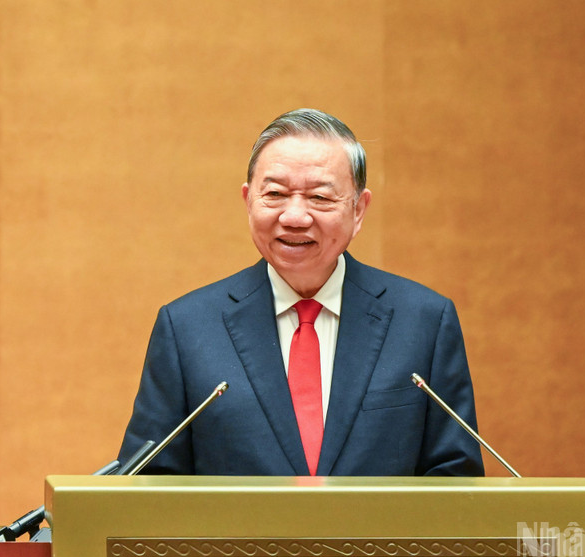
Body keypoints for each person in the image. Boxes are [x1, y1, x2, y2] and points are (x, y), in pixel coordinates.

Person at [118, 109, 484, 476]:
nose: (294, 217)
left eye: (320, 197)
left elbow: (455, 482)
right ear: (248, 201)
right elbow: (147, 484)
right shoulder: (186, 328)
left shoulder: (424, 323)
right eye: (275, 194)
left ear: (358, 210)